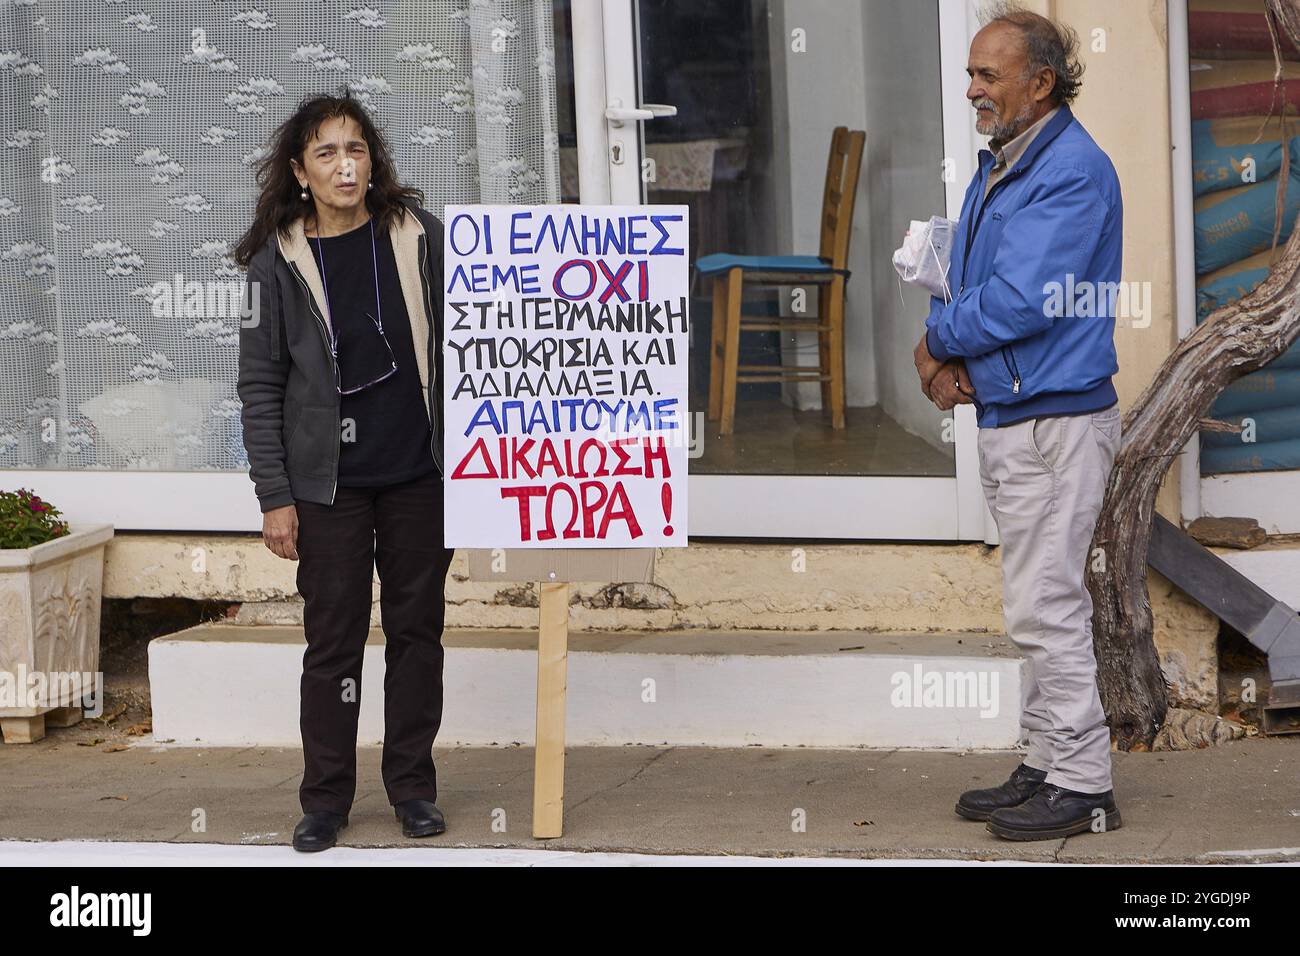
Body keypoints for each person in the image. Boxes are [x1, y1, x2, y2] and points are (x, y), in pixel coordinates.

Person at [913, 3, 1124, 841]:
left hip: (1053, 418)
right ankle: (1046, 761)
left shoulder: (1069, 168)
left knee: (1046, 606)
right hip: (1023, 408)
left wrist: (935, 341)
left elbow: (1021, 299)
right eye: (970, 74)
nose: (972, 90)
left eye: (986, 75)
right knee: (1035, 602)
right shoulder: (1011, 157)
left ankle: (1084, 784)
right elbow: (988, 280)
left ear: (1040, 83)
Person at [233, 91, 453, 852]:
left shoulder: (420, 237)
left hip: (420, 473)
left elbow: (483, 334)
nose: (345, 164)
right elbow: (259, 385)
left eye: (355, 149)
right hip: (326, 487)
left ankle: (413, 790)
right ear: (301, 171)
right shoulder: (276, 262)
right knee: (333, 642)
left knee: (418, 634)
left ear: (373, 160)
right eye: (326, 152)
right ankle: (325, 800)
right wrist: (275, 496)